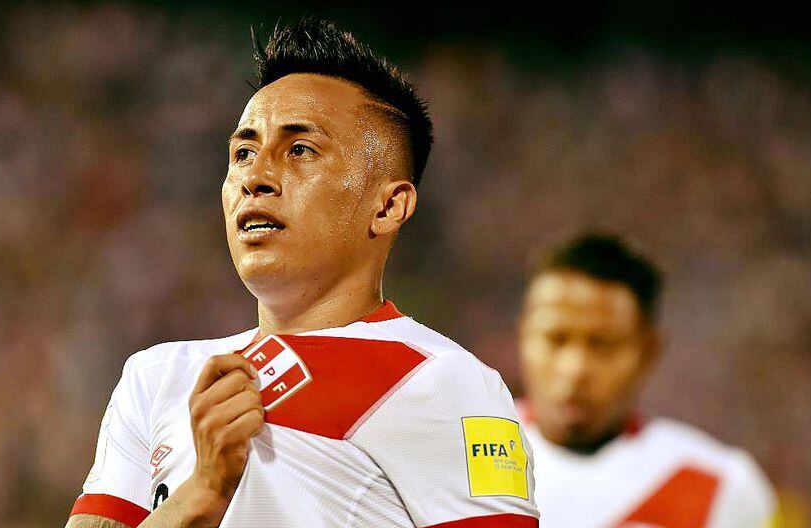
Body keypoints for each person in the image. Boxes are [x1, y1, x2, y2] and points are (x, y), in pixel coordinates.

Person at [65, 19, 538, 528]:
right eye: (243, 153)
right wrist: (200, 494)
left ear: (388, 207)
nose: (256, 177)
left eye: (300, 150)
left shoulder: (445, 384)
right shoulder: (158, 377)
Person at [518, 234, 776, 527]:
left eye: (603, 345)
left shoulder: (720, 487)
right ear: (524, 335)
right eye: (555, 339)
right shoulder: (473, 454)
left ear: (648, 351)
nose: (575, 368)